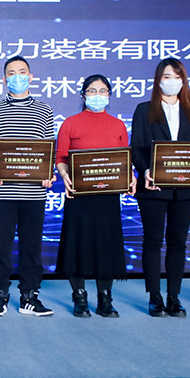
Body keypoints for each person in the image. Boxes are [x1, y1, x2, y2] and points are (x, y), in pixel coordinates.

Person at [131, 58, 190, 317]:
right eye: (167, 76)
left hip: (185, 189)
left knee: (178, 242)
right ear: (158, 80)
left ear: (184, 81)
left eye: (177, 77)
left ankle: (173, 296)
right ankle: (155, 296)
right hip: (153, 187)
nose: (172, 81)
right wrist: (146, 170)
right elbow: (137, 148)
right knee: (153, 241)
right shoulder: (144, 109)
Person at [0, 56, 57, 317]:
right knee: (0, 247)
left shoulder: (44, 111)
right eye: (11, 73)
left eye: (22, 72)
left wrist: (48, 173)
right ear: (4, 79)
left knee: (32, 248)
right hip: (1, 192)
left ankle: (29, 296)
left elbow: (49, 150)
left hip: (34, 193)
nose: (17, 77)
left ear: (31, 77)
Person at [55, 74, 135, 318]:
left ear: (109, 95)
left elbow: (124, 159)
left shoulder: (118, 125)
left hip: (107, 195)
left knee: (106, 244)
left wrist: (130, 177)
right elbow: (61, 157)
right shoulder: (70, 123)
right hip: (78, 194)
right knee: (77, 242)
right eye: (92, 91)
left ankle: (105, 299)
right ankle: (79, 297)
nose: (97, 95)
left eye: (102, 91)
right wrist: (65, 175)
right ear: (83, 95)